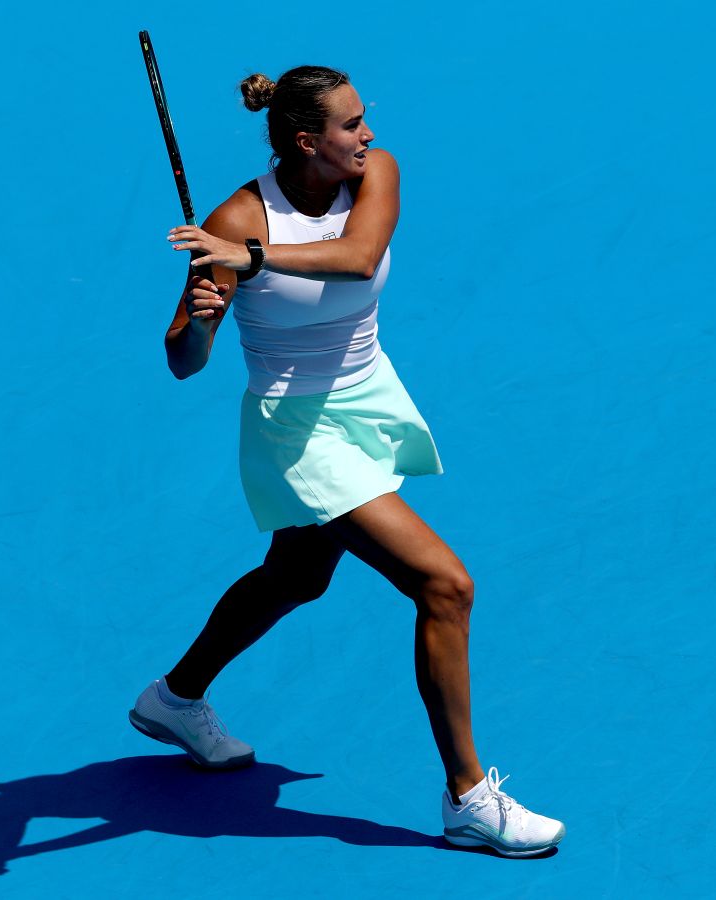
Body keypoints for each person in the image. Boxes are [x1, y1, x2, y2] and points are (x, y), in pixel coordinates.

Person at [129, 66, 565, 859]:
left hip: (367, 399)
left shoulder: (371, 174)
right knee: (445, 585)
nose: (368, 134)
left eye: (364, 120)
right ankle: (468, 799)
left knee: (297, 576)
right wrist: (200, 318)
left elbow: (360, 258)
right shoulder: (235, 218)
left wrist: (249, 260)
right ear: (307, 141)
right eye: (351, 125)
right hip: (300, 431)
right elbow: (183, 362)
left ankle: (175, 698)